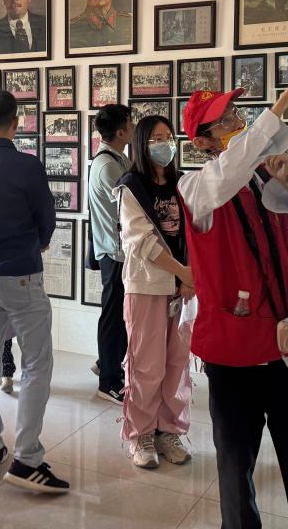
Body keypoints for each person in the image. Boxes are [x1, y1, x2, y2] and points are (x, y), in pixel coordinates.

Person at [180, 46, 288, 529]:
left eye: (237, 114)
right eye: (226, 121)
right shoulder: (196, 188)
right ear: (203, 142)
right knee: (235, 472)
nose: (238, 123)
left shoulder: (264, 181)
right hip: (234, 359)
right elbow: (231, 170)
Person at [0, 90, 69, 493]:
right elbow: (45, 217)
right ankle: (27, 459)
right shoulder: (27, 166)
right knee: (36, 363)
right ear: (16, 123)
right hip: (20, 273)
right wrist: (37, 242)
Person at [114, 115, 195, 469]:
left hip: (183, 287)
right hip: (147, 285)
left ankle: (169, 430)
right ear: (142, 145)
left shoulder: (182, 183)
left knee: (178, 362)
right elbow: (142, 241)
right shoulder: (130, 187)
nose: (165, 144)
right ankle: (141, 434)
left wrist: (189, 277)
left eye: (169, 137)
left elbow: (195, 232)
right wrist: (182, 272)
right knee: (146, 364)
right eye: (156, 138)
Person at [87, 104, 134, 403]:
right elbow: (131, 204)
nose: (133, 127)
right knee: (113, 317)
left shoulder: (118, 159)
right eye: (130, 123)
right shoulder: (107, 165)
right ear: (120, 132)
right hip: (114, 252)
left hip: (121, 250)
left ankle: (105, 362)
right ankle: (108, 382)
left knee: (121, 315)